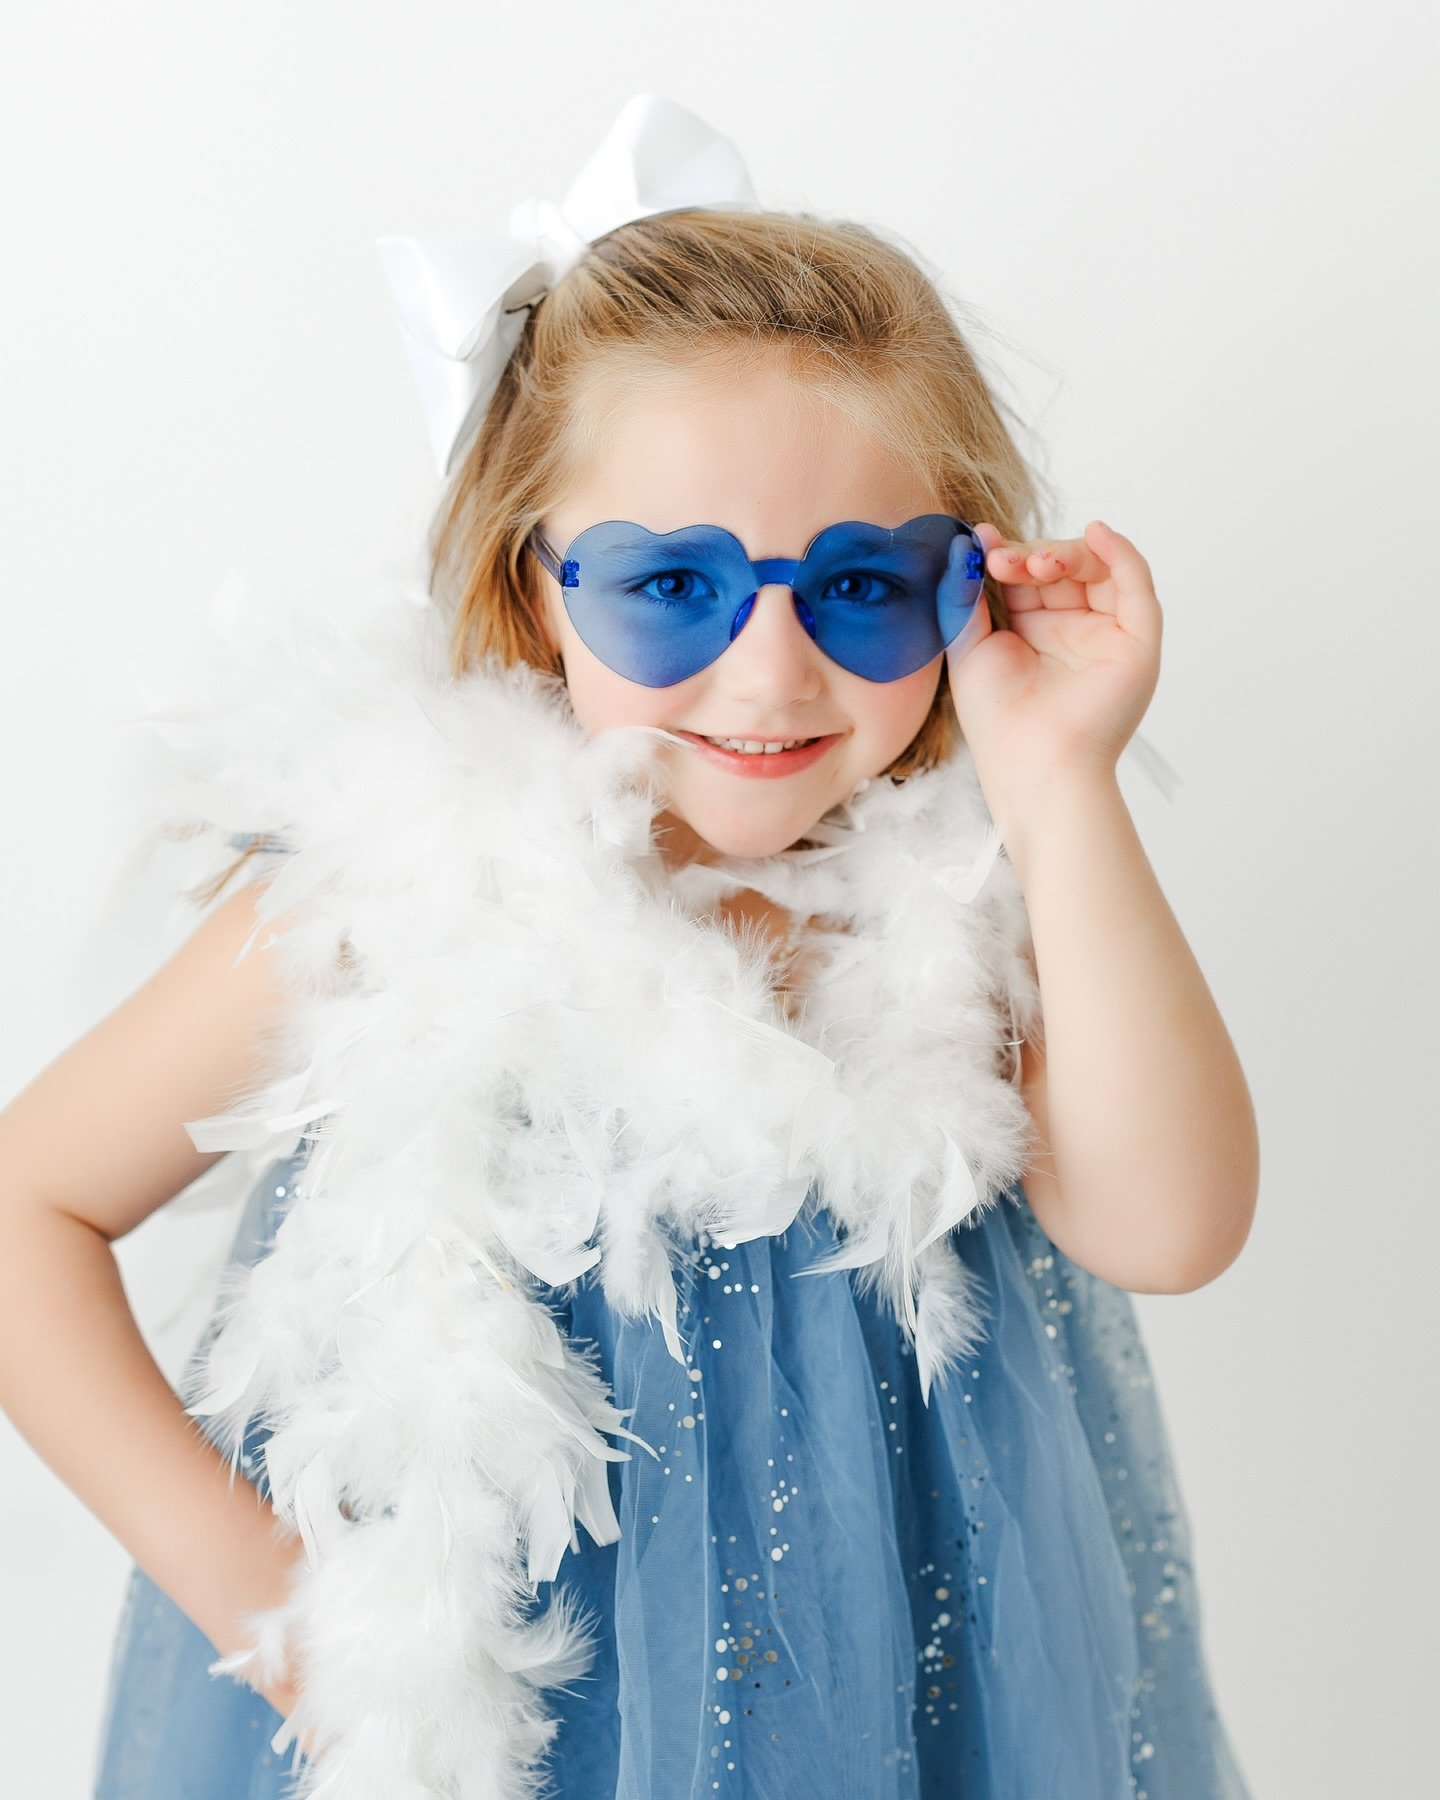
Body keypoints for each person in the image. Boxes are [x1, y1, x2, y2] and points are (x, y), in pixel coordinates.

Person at [0, 95, 1258, 1799]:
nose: (770, 673)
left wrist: (1061, 783)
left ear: (970, 587)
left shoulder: (982, 905)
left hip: (926, 1687)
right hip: (502, 1707)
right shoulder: (392, 902)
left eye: (863, 587)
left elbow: (1172, 1229)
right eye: (670, 587)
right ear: (531, 594)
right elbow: (27, 1207)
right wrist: (278, 1607)